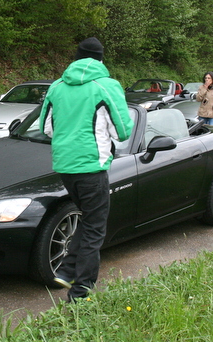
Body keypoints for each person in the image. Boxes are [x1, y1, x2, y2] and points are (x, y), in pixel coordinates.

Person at [38, 37, 133, 302]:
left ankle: (67, 269)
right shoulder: (107, 86)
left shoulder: (57, 86)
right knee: (95, 228)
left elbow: (45, 128)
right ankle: (80, 292)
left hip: (65, 167)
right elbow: (122, 132)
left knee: (90, 219)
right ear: (101, 59)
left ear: (76, 58)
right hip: (92, 167)